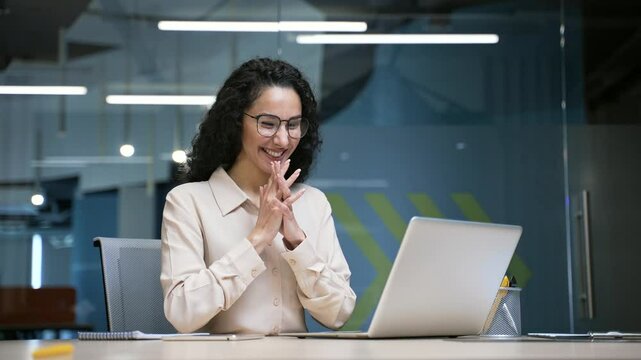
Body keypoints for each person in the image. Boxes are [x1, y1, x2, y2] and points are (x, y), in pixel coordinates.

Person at [160, 58, 357, 335]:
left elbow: (338, 314)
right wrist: (257, 240)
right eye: (268, 124)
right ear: (235, 122)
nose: (282, 140)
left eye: (293, 125)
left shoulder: (312, 202)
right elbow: (182, 313)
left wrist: (298, 244)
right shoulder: (187, 202)